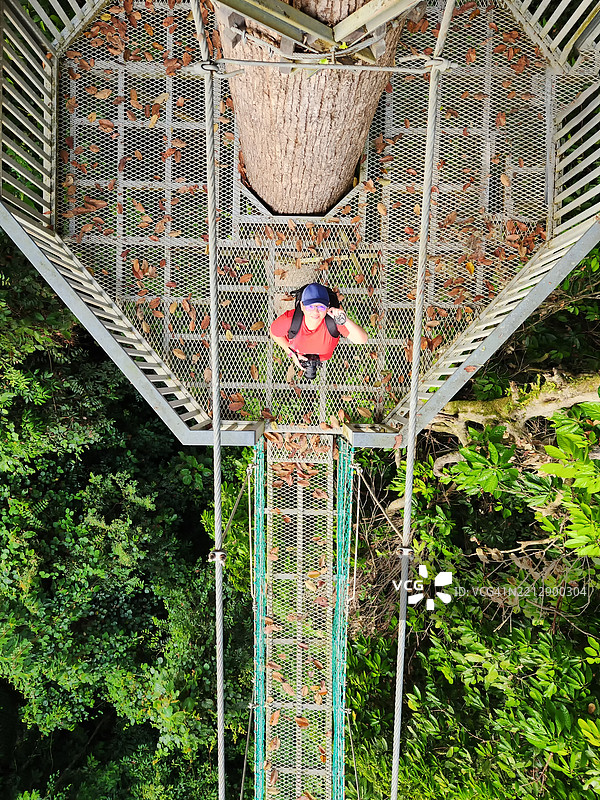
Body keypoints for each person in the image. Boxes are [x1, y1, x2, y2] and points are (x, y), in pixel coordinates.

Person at [270, 283, 368, 380]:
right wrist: (291, 354)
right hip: (300, 354)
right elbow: (274, 333)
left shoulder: (332, 321)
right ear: (302, 306)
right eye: (310, 307)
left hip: (323, 356)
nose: (315, 312)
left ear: (327, 307)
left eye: (321, 307)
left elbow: (362, 340)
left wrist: (345, 320)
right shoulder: (290, 320)